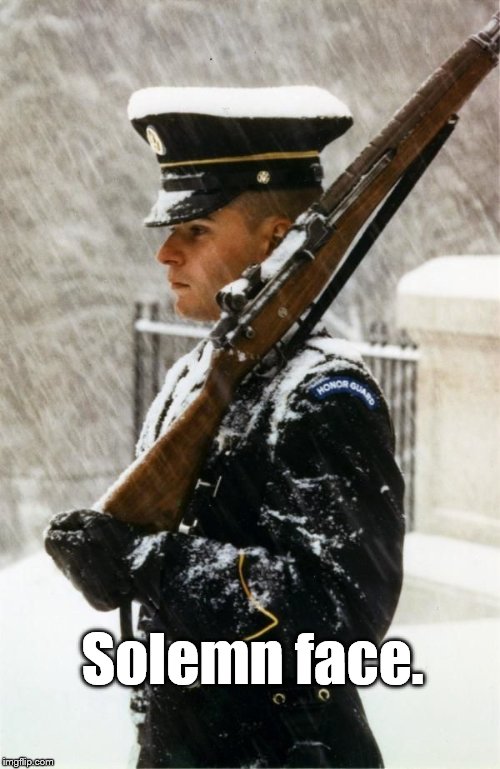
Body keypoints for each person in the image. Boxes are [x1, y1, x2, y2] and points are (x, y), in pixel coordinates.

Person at [45, 86, 405, 768]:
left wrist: (149, 561)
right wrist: (108, 554)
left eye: (197, 230)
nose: (166, 254)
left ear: (276, 241)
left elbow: (344, 616)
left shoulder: (324, 394)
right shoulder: (195, 376)